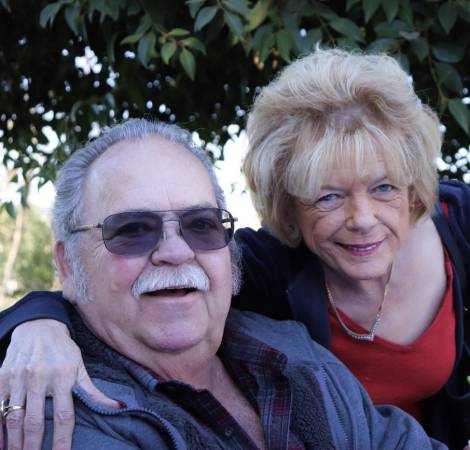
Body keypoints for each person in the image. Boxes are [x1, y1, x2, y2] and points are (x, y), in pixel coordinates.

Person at [0, 48, 469, 448]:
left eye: (200, 225)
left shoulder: (294, 359)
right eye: (133, 230)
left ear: (413, 186)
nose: (362, 218)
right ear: (289, 207)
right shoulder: (266, 270)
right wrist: (35, 324)